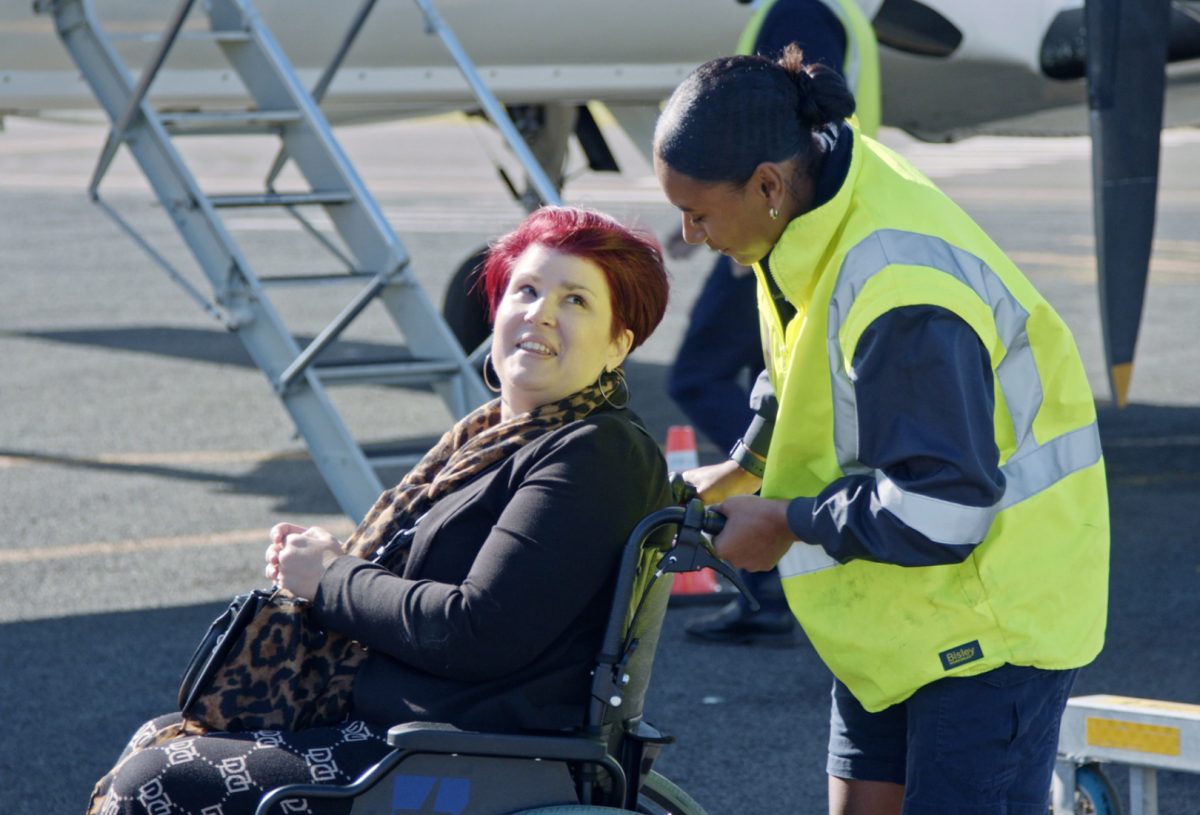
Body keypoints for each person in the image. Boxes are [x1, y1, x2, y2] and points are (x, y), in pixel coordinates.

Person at [87, 206, 673, 815]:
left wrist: (330, 579)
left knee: (154, 781)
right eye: (525, 290)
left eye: (575, 300)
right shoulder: (493, 438)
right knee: (157, 739)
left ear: (618, 345)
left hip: (463, 752)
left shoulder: (595, 450)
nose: (540, 312)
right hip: (407, 731)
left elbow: (475, 631)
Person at [653, 47, 1109, 814]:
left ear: (766, 183)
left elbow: (947, 510)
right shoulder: (813, 196)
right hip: (903, 613)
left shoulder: (902, 291)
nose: (690, 233)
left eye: (697, 212)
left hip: (990, 620)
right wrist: (741, 468)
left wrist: (787, 523)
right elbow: (805, 366)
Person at [670, 0, 881, 646]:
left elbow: (771, 140)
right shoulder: (825, 7)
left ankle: (772, 550)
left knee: (701, 374)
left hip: (781, 227)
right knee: (772, 378)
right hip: (793, 219)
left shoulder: (799, 9)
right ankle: (772, 536)